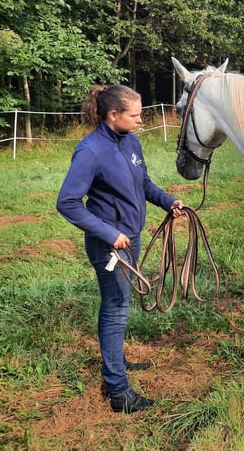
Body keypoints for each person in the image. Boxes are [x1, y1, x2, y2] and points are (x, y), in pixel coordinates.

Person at [56, 84, 184, 413]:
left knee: (120, 303)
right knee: (115, 307)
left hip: (132, 237)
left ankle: (116, 361)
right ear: (114, 115)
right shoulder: (90, 151)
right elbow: (68, 203)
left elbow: (143, 184)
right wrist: (108, 233)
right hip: (110, 245)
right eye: (135, 115)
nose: (141, 120)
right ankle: (118, 390)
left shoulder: (131, 141)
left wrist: (168, 202)